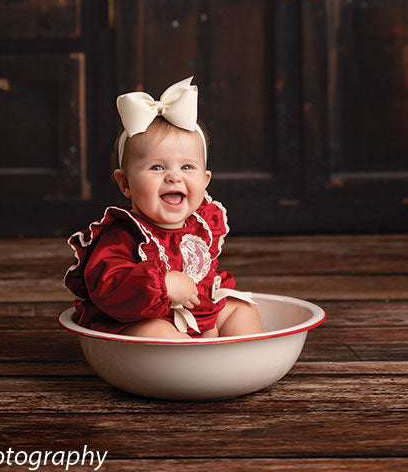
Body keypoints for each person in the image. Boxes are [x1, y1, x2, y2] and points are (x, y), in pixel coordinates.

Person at [64, 77, 264, 339]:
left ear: (205, 182)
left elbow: (206, 274)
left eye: (187, 167)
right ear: (125, 184)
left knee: (242, 308)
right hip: (143, 318)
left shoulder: (202, 225)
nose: (174, 177)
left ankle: (241, 361)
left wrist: (212, 313)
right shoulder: (122, 236)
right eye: (157, 167)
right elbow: (108, 289)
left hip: (198, 317)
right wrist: (162, 284)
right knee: (154, 331)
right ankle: (194, 369)